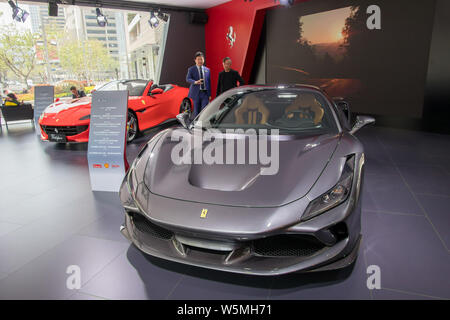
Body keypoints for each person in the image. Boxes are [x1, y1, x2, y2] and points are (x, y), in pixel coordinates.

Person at [186, 51, 211, 117]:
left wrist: (209, 94)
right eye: (198, 59)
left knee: (204, 110)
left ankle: (202, 125)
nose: (200, 61)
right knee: (196, 111)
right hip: (196, 93)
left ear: (204, 60)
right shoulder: (191, 69)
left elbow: (208, 82)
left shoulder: (207, 70)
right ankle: (197, 126)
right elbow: (188, 79)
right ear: (195, 60)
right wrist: (195, 82)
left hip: (205, 94)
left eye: (201, 59)